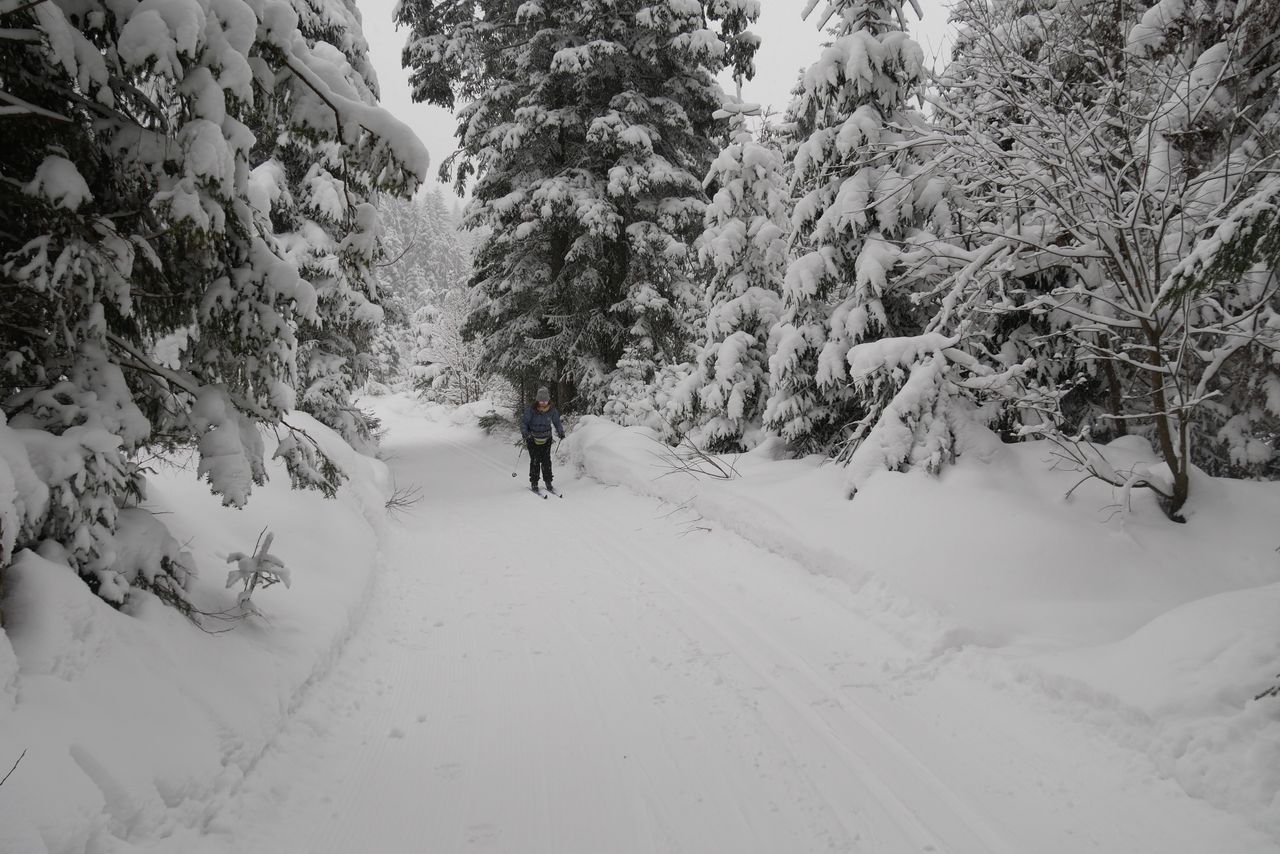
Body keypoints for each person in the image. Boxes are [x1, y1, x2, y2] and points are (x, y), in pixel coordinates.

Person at [521, 387, 565, 493]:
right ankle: (534, 482)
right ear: (537, 400)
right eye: (541, 401)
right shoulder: (531, 410)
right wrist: (525, 433)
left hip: (546, 438)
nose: (543, 403)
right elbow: (524, 423)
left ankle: (548, 481)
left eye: (545, 401)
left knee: (546, 460)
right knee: (535, 461)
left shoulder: (552, 410)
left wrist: (560, 432)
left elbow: (557, 422)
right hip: (532, 438)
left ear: (548, 400)